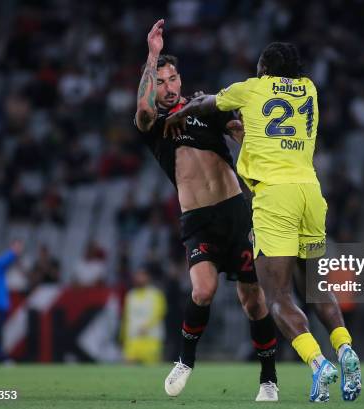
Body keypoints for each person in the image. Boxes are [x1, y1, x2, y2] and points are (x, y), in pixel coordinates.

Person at [165, 41, 362, 402]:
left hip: (275, 198)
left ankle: (318, 363)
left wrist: (181, 114)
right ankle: (345, 348)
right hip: (310, 193)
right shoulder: (310, 89)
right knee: (316, 288)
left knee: (276, 296)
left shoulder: (251, 88)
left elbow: (205, 104)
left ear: (265, 68)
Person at [134, 20, 278, 401]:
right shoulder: (154, 124)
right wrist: (151, 55)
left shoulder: (204, 107)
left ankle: (268, 380)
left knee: (253, 300)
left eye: (172, 79)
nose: (168, 88)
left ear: (181, 80)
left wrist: (241, 129)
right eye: (161, 81)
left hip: (235, 214)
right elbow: (143, 110)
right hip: (197, 221)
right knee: (203, 290)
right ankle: (185, 361)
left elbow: (238, 129)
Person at [121, 267, 166, 364]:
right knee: (128, 367)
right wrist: (123, 337)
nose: (139, 278)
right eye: (138, 276)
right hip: (133, 338)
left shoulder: (156, 294)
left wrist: (146, 327)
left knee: (151, 371)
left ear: (148, 277)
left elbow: (159, 313)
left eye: (142, 275)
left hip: (151, 337)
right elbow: (126, 318)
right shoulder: (130, 295)